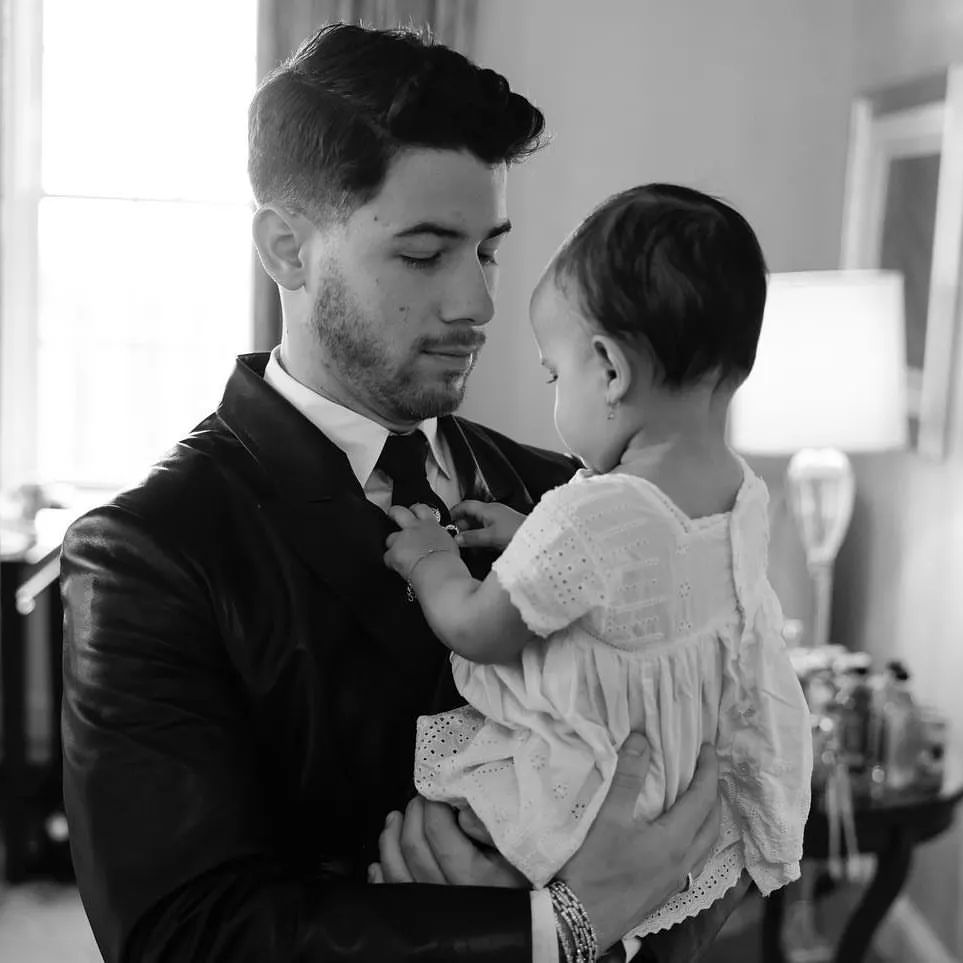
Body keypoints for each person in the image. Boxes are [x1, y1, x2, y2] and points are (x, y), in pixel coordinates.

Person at [60, 25, 741, 963]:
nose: (478, 305)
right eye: (425, 255)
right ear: (287, 249)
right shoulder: (150, 552)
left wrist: (619, 907)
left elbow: (688, 830)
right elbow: (182, 936)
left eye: (489, 251)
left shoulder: (571, 493)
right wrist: (550, 926)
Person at [382, 183, 814, 956]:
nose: (554, 390)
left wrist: (431, 561)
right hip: (678, 794)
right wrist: (529, 536)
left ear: (608, 369)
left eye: (555, 373)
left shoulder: (591, 513)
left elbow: (479, 630)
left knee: (429, 836)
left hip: (583, 794)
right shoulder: (738, 492)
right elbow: (647, 582)